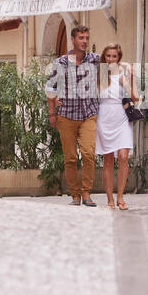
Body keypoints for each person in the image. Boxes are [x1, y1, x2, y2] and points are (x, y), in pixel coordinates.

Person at [45, 24, 100, 206]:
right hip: (66, 115)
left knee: (88, 153)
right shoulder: (60, 62)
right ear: (73, 40)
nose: (84, 41)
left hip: (88, 114)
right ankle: (75, 195)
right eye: (81, 38)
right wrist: (52, 112)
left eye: (86, 38)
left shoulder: (95, 60)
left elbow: (112, 69)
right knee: (69, 158)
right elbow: (50, 87)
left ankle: (86, 193)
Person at [96, 44, 140, 210]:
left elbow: (135, 97)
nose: (111, 59)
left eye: (114, 56)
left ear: (119, 57)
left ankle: (120, 197)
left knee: (123, 156)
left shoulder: (125, 73)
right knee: (108, 160)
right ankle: (109, 199)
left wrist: (128, 81)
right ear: (104, 57)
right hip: (104, 117)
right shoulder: (100, 74)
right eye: (108, 56)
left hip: (121, 117)